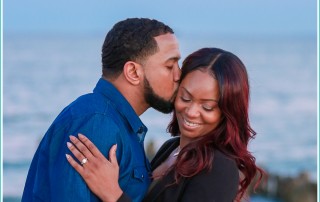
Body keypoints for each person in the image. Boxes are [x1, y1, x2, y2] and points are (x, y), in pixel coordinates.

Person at [66, 47, 264, 202]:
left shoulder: (219, 168)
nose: (191, 112)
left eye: (208, 107)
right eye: (185, 98)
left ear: (227, 112)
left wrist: (112, 194)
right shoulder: (172, 148)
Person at [22, 18, 181, 202]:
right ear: (133, 72)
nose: (179, 75)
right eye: (170, 66)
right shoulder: (97, 123)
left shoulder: (118, 123)